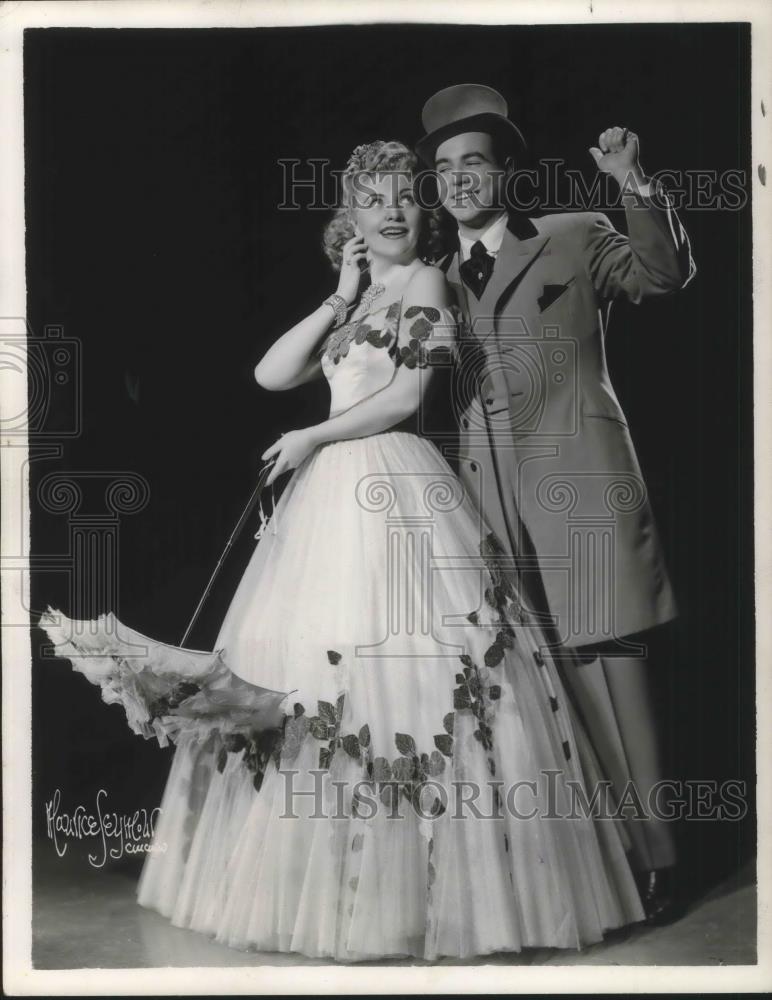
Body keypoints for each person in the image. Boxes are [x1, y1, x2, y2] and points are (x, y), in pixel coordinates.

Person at [39, 140, 646, 962]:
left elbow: (405, 397)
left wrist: (309, 437)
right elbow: (269, 372)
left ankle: (427, 895)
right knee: (315, 672)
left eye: (404, 196)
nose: (393, 209)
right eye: (372, 199)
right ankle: (338, 886)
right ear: (350, 221)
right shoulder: (362, 299)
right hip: (330, 491)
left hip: (390, 482)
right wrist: (340, 297)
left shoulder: (429, 282)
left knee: (408, 673)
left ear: (423, 212)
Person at [414, 84, 696, 924]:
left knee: (616, 671)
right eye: (444, 169)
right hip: (487, 507)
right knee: (544, 691)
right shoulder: (432, 282)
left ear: (506, 172)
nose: (459, 180)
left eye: (474, 163)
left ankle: (660, 859)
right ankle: (595, 870)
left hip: (583, 489)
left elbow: (664, 273)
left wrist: (632, 183)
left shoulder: (572, 237)